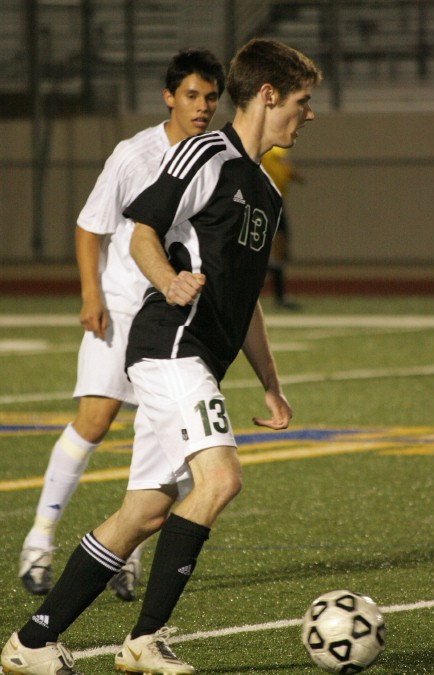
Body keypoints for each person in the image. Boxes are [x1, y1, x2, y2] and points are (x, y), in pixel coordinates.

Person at [2, 38, 322, 675]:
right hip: (169, 346)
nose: (308, 115)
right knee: (221, 480)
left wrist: (271, 383)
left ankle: (30, 644)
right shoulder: (205, 153)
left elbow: (244, 298)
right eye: (302, 101)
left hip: (198, 356)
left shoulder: (267, 190)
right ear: (266, 95)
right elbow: (144, 228)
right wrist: (167, 279)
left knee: (144, 511)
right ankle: (144, 640)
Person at [18, 48, 225, 602]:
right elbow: (91, 226)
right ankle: (39, 541)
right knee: (95, 419)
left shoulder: (219, 158)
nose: (202, 106)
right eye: (191, 95)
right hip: (123, 305)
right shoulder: (134, 154)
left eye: (210, 97)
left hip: (175, 316)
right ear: (168, 96)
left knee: (162, 438)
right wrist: (91, 294)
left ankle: (124, 556)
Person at [262, 145, 305, 308]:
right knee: (274, 249)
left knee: (278, 251)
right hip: (268, 201)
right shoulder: (270, 149)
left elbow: (286, 170)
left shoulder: (275, 149)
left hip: (274, 201)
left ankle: (279, 295)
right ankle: (278, 295)